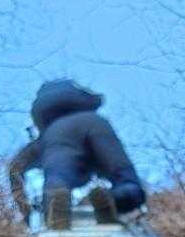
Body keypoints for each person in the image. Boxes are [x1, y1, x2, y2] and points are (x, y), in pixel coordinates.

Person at [8, 79, 148, 229]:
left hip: (56, 139)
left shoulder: (47, 135)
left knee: (58, 177)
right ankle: (115, 199)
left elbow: (15, 167)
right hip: (96, 125)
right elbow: (120, 163)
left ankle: (55, 198)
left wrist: (26, 211)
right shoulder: (94, 118)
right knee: (123, 175)